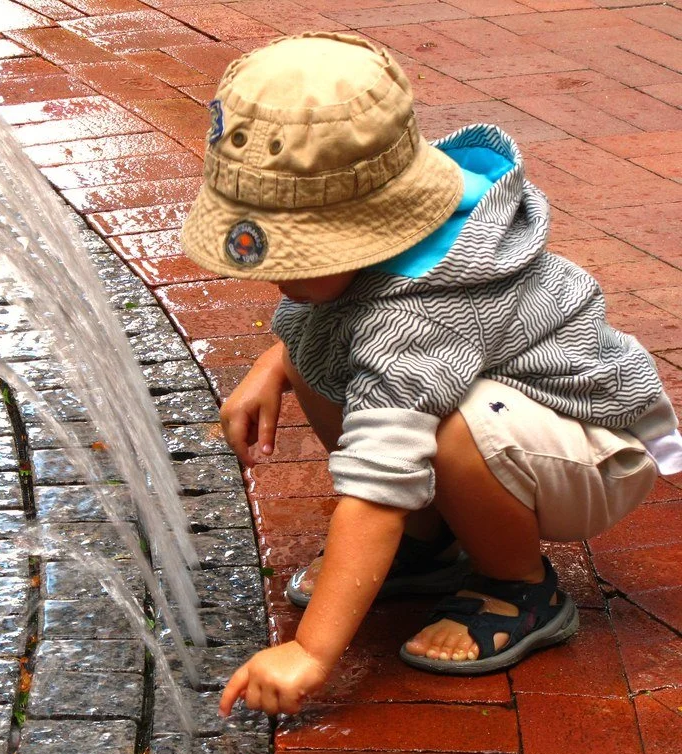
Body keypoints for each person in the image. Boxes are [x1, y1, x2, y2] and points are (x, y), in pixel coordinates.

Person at [178, 32, 682, 718]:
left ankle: (520, 587)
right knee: (320, 353)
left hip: (597, 447)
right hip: (512, 413)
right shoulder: (397, 237)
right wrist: (279, 361)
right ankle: (426, 547)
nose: (272, 274)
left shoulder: (421, 314)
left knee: (448, 432)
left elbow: (379, 482)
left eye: (292, 253)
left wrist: (311, 650)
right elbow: (339, 331)